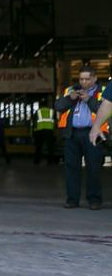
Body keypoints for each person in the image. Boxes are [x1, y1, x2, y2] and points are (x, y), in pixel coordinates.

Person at [56, 66, 104, 209]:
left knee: (93, 168)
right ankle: (72, 200)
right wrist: (70, 99)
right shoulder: (71, 91)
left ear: (94, 78)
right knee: (71, 168)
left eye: (87, 79)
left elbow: (105, 110)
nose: (84, 82)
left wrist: (89, 99)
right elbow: (58, 106)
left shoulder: (102, 92)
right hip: (72, 134)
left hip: (93, 134)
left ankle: (94, 200)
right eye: (81, 79)